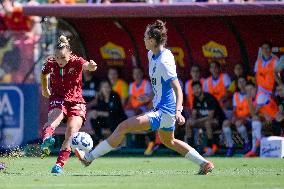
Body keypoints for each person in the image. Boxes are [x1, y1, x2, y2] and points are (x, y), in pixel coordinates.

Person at [75, 20, 214, 175]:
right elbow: (160, 84)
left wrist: (179, 111)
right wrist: (149, 95)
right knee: (170, 141)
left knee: (123, 127)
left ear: (153, 40)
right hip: (162, 110)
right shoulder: (151, 55)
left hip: (165, 111)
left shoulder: (164, 61)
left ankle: (89, 157)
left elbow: (177, 88)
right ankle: (204, 163)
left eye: (146, 37)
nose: (144, 40)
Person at [40, 35, 97, 174]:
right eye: (57, 57)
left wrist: (91, 66)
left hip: (76, 101)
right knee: (54, 119)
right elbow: (43, 74)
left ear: (70, 54)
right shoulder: (50, 63)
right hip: (58, 98)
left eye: (63, 58)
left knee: (71, 133)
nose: (60, 61)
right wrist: (45, 88)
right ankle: (47, 139)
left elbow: (87, 66)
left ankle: (58, 165)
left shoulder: (77, 61)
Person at [185, 81, 226, 156]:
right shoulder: (195, 99)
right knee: (189, 123)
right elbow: (194, 115)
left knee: (207, 123)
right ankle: (190, 149)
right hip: (203, 121)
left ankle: (210, 147)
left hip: (217, 121)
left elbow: (210, 117)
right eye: (194, 89)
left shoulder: (209, 98)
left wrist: (196, 121)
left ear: (201, 88)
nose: (196, 90)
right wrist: (192, 120)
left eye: (198, 88)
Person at [245, 81, 279, 157]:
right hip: (267, 121)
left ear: (255, 88)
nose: (249, 92)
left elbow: (253, 114)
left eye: (251, 89)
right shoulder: (254, 99)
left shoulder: (260, 96)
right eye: (247, 91)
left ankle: (259, 141)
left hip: (275, 121)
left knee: (255, 120)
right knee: (255, 125)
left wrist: (248, 101)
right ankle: (254, 149)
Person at [222, 77, 251, 157]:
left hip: (248, 118)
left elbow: (252, 111)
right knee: (225, 123)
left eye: (243, 81)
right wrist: (234, 117)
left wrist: (240, 118)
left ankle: (247, 142)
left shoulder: (250, 94)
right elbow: (234, 110)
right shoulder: (236, 95)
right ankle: (230, 146)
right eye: (239, 82)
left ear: (246, 83)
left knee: (238, 123)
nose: (241, 84)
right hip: (238, 118)